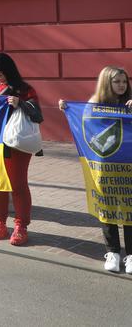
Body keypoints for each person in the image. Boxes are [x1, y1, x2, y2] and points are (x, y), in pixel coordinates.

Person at [60, 66, 132, 272]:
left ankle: (131, 255)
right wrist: (67, 107)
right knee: (107, 207)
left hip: (128, 167)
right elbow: (84, 126)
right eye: (116, 81)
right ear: (106, 83)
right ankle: (113, 252)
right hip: (104, 166)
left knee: (129, 209)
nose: (121, 85)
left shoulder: (130, 102)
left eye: (124, 82)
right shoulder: (94, 104)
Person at [0, 52, 42, 246]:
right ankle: (0, 222)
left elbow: (37, 115)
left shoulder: (24, 89)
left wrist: (21, 103)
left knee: (18, 184)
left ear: (8, 68)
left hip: (16, 144)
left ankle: (21, 226)